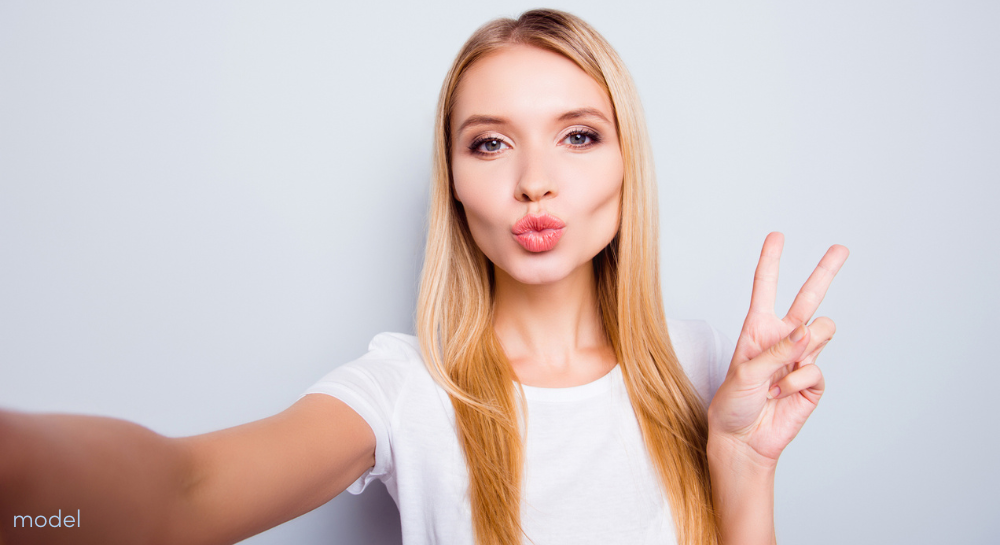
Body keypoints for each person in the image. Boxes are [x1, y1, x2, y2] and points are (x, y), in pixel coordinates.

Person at [0, 9, 848, 545]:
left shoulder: (699, 365)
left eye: (579, 135)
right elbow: (186, 492)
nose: (534, 180)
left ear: (631, 166)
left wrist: (741, 461)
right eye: (490, 141)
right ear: (452, 180)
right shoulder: (406, 389)